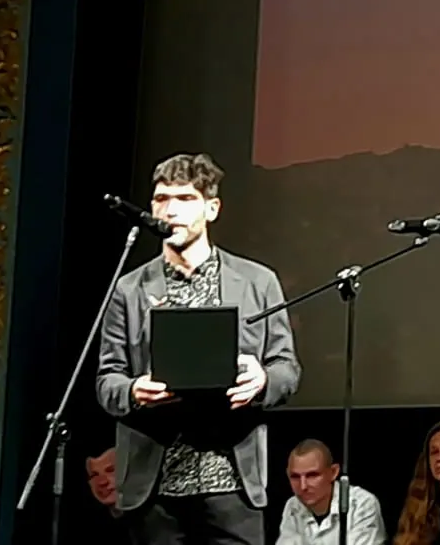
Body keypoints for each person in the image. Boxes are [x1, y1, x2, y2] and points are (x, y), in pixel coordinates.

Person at [97, 154, 301, 545]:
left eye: (185, 198)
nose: (170, 210)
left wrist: (262, 380)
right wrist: (133, 390)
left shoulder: (257, 282)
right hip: (154, 489)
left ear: (212, 208)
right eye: (161, 199)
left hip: (231, 483)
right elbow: (107, 381)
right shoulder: (130, 289)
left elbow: (287, 368)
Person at [279, 439, 385, 545]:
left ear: (333, 472)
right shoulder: (293, 506)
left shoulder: (362, 503)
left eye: (312, 475)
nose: (303, 486)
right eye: (295, 477)